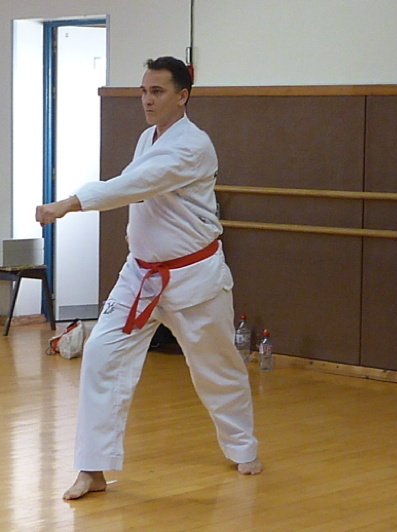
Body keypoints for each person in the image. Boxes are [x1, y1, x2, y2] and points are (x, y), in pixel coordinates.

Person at [36, 56, 262, 501]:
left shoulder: (193, 146)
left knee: (215, 367)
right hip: (140, 275)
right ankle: (92, 469)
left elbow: (131, 186)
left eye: (157, 91)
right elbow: (134, 186)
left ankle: (243, 447)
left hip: (194, 278)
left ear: (182, 96)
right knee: (101, 354)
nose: (146, 100)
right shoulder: (148, 138)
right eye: (143, 91)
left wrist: (68, 204)